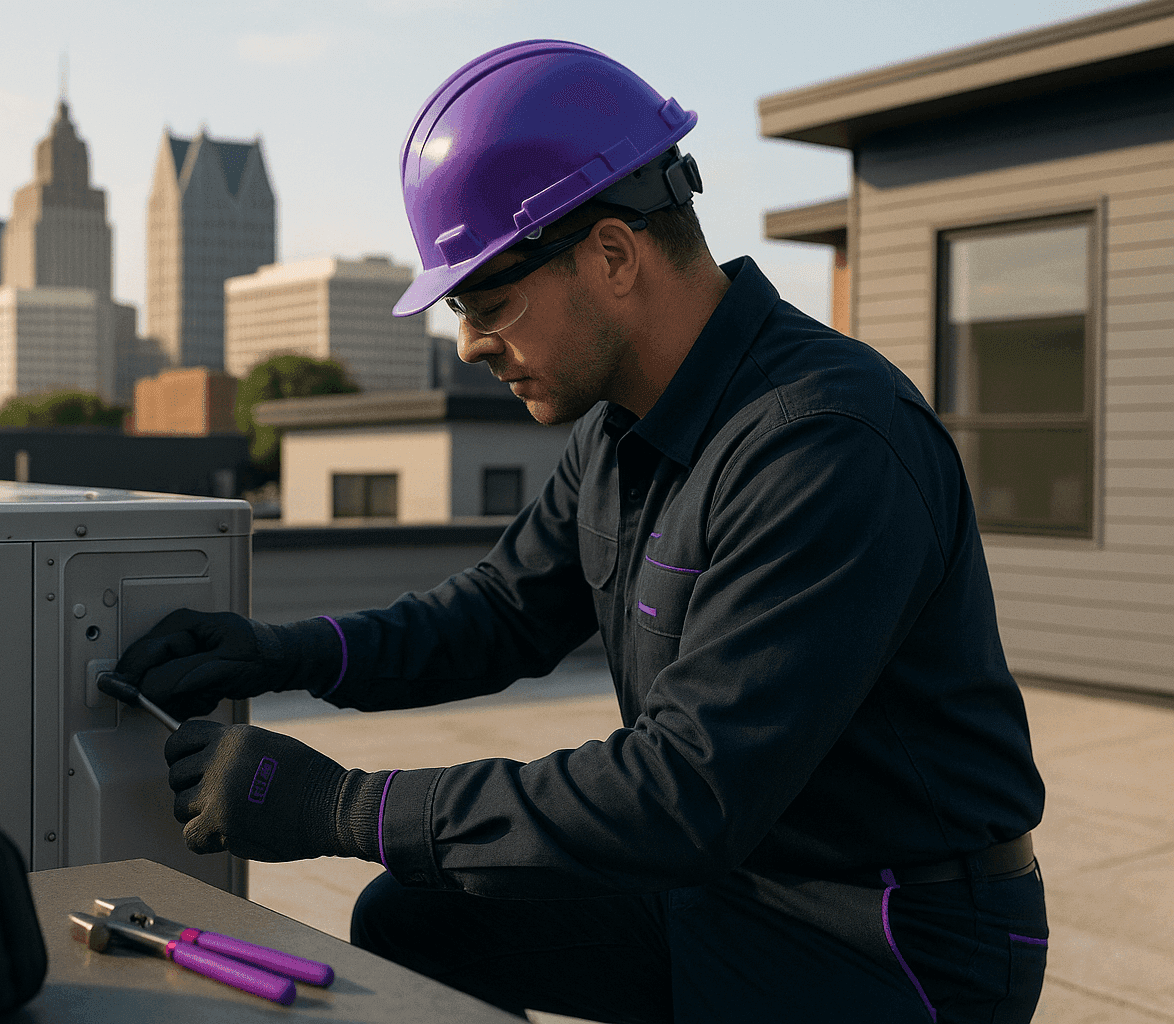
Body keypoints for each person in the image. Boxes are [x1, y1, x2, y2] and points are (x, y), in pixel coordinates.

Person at [105, 41, 1049, 1024]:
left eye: (486, 299)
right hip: (727, 883)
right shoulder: (622, 428)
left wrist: (347, 807)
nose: (468, 342)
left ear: (610, 254)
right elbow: (499, 612)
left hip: (885, 934)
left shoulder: (824, 445)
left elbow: (681, 793)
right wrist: (279, 651)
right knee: (418, 922)